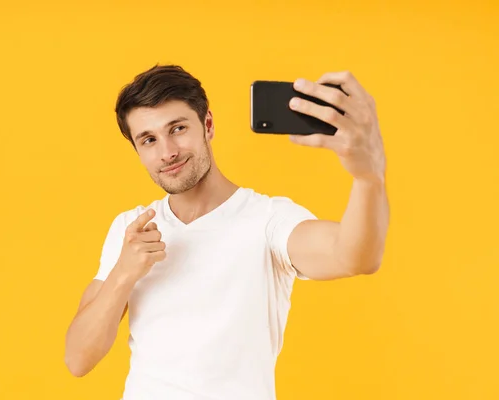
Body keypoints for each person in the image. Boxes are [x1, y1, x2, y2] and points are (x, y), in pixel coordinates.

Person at [64, 64, 389, 399]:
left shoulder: (268, 220)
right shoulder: (132, 229)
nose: (167, 152)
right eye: (149, 140)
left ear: (207, 125)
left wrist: (369, 177)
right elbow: (77, 359)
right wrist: (123, 274)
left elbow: (354, 256)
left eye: (177, 128)